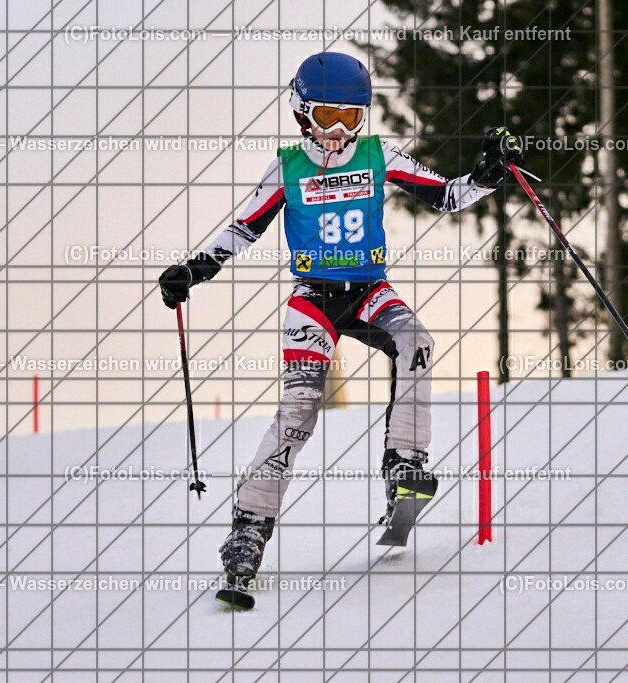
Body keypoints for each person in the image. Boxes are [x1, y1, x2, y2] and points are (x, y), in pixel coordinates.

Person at [159, 51, 522, 608]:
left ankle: (404, 463)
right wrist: (194, 269)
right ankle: (248, 527)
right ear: (302, 114)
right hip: (313, 302)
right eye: (326, 117)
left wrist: (486, 175)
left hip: (368, 291)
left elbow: (447, 195)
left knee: (415, 340)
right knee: (300, 408)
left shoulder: (379, 156)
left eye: (350, 119)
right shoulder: (287, 168)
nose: (337, 132)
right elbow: (242, 230)